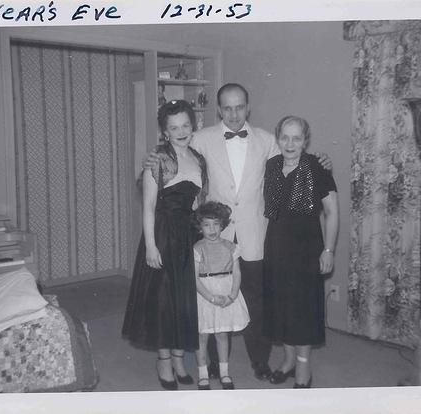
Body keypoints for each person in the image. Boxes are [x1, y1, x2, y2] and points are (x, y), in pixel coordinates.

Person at [145, 83, 332, 381]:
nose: (234, 114)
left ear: (248, 107)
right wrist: (155, 157)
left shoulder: (268, 140)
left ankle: (260, 361)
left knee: (256, 301)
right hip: (213, 236)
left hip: (255, 235)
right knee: (214, 300)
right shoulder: (201, 139)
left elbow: (296, 158)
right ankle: (219, 366)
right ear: (219, 110)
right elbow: (174, 153)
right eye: (227, 108)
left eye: (239, 107)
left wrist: (321, 161)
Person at [122, 100, 208, 391]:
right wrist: (150, 246)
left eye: (185, 125)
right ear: (165, 132)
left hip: (188, 234)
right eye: (174, 127)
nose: (181, 131)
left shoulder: (199, 159)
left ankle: (179, 358)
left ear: (192, 126)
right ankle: (163, 361)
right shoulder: (157, 159)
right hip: (161, 234)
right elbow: (148, 206)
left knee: (184, 299)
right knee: (163, 299)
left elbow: (198, 201)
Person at [262, 116, 339, 389]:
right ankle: (288, 361)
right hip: (276, 246)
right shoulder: (271, 166)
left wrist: (328, 250)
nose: (290, 143)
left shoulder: (317, 167)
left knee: (303, 308)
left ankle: (303, 367)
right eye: (285, 137)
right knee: (282, 306)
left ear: (305, 140)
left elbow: (331, 212)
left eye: (296, 138)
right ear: (277, 138)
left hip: (307, 248)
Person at [193, 201, 250, 391]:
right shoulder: (197, 248)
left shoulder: (231, 247)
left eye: (216, 224)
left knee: (222, 334)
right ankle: (203, 375)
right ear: (199, 227)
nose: (212, 229)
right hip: (205, 295)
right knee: (202, 336)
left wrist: (232, 296)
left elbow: (237, 273)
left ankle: (224, 372)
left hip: (226, 292)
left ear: (223, 225)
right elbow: (195, 279)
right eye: (207, 225)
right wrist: (210, 297)